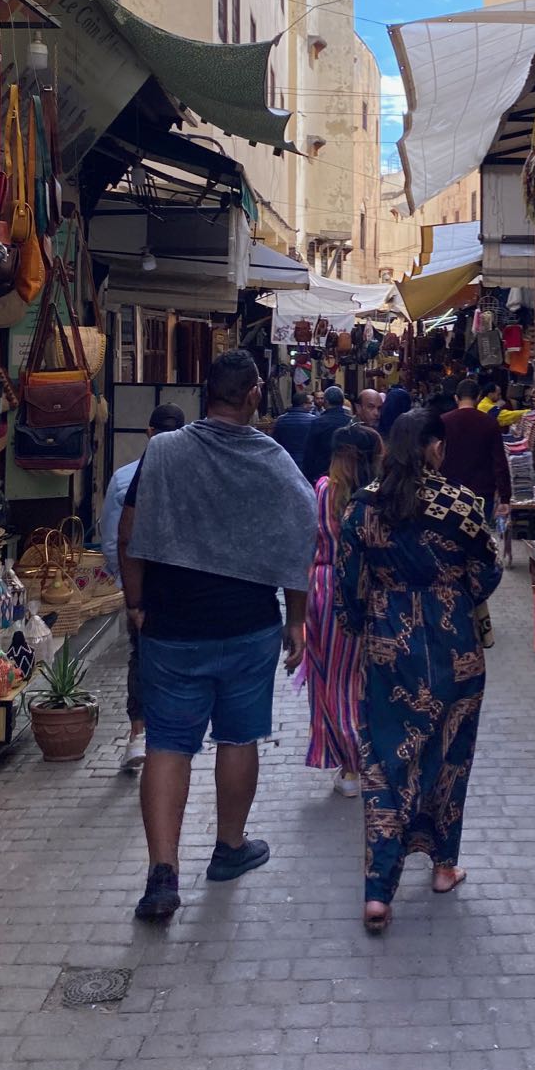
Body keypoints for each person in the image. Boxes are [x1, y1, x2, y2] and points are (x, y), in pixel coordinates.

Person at [119, 350, 317, 923]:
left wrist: (135, 604)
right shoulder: (271, 457)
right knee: (237, 739)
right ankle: (229, 849)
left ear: (206, 392)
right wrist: (297, 618)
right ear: (254, 394)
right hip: (246, 625)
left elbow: (128, 533)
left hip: (172, 624)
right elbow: (301, 531)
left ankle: (163, 873)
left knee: (168, 744)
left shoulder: (164, 450)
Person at [335, 409, 501, 934]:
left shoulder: (362, 508)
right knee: (450, 756)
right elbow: (486, 575)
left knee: (384, 760)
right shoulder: (464, 506)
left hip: (390, 644)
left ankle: (378, 892)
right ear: (433, 448)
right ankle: (443, 867)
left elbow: (349, 589)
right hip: (455, 645)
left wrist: (361, 622)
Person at [100, 403, 185, 773]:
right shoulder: (192, 478)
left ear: (149, 433)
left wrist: (125, 585)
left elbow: (111, 538)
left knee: (141, 654)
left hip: (142, 587)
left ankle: (139, 734)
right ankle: (171, 734)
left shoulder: (123, 477)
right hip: (182, 585)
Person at [303, 422, 382, 797]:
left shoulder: (322, 491)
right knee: (365, 678)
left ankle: (352, 766)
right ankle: (367, 759)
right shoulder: (381, 498)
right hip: (372, 589)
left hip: (326, 587)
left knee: (334, 679)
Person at [440, 378, 512, 516]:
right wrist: (505, 497)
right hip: (482, 493)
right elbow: (500, 462)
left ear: (456, 398)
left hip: (450, 491)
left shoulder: (443, 421)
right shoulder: (489, 422)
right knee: (479, 533)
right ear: (478, 397)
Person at [301, 383, 351, 485]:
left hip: (322, 475)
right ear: (342, 402)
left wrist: (308, 477)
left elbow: (309, 452)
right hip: (347, 474)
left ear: (326, 402)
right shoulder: (350, 422)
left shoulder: (318, 423)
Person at [271, 389, 315, 464]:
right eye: (310, 403)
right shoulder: (313, 420)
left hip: (286, 459)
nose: (312, 406)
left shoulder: (281, 420)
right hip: (307, 461)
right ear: (304, 404)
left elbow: (276, 441)